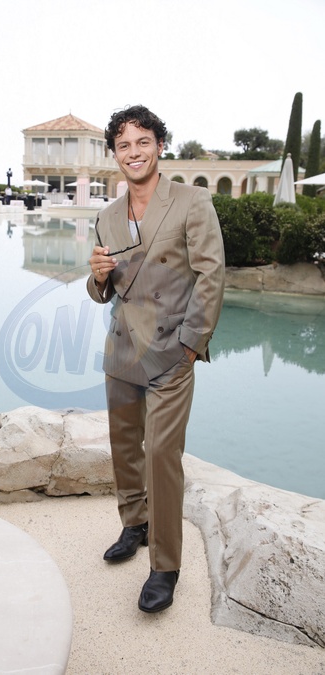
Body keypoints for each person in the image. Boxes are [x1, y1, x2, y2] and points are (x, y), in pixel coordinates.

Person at [87, 105, 225, 613]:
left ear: (159, 146)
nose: (134, 153)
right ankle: (134, 525)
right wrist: (97, 275)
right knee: (124, 447)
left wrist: (191, 343)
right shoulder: (106, 216)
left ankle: (165, 566)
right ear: (115, 154)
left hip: (171, 351)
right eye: (124, 145)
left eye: (142, 142)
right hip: (123, 347)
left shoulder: (191, 201)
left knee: (162, 454)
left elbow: (211, 275)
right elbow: (99, 292)